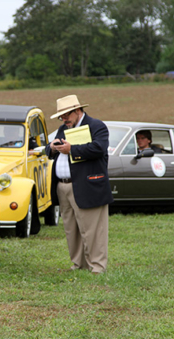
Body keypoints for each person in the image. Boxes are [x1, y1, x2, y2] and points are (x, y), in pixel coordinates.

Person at [45, 95, 113, 274]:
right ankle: (78, 264)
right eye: (61, 117)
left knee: (93, 229)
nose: (64, 119)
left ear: (77, 111)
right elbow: (49, 149)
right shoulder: (63, 129)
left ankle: (97, 266)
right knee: (71, 228)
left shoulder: (97, 126)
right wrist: (51, 147)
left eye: (66, 115)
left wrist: (72, 150)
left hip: (88, 186)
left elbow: (99, 148)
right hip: (63, 186)